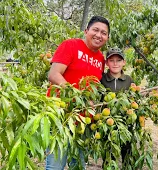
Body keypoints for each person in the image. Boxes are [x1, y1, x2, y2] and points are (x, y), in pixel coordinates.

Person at [45, 15, 110, 170]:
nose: (99, 35)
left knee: (78, 167)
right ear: (86, 30)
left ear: (107, 38)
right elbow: (54, 75)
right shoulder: (71, 45)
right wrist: (79, 97)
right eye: (95, 30)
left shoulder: (101, 59)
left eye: (104, 33)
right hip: (60, 118)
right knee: (55, 167)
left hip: (84, 125)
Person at [100, 48, 134, 168]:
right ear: (106, 63)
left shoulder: (128, 80)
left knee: (128, 154)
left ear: (124, 62)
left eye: (118, 60)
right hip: (108, 124)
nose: (115, 63)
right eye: (112, 60)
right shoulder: (102, 78)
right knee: (109, 155)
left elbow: (136, 96)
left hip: (126, 124)